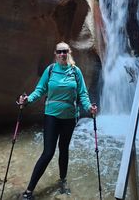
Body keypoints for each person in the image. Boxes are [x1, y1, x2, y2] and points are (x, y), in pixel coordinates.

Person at [19, 41, 97, 199]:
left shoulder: (76, 72)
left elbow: (82, 94)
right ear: (55, 54)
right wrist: (28, 100)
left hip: (69, 118)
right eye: (60, 51)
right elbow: (40, 89)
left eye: (65, 51)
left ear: (69, 53)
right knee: (48, 153)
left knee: (64, 149)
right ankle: (29, 191)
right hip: (52, 116)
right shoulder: (51, 70)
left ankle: (62, 181)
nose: (62, 54)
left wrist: (89, 108)